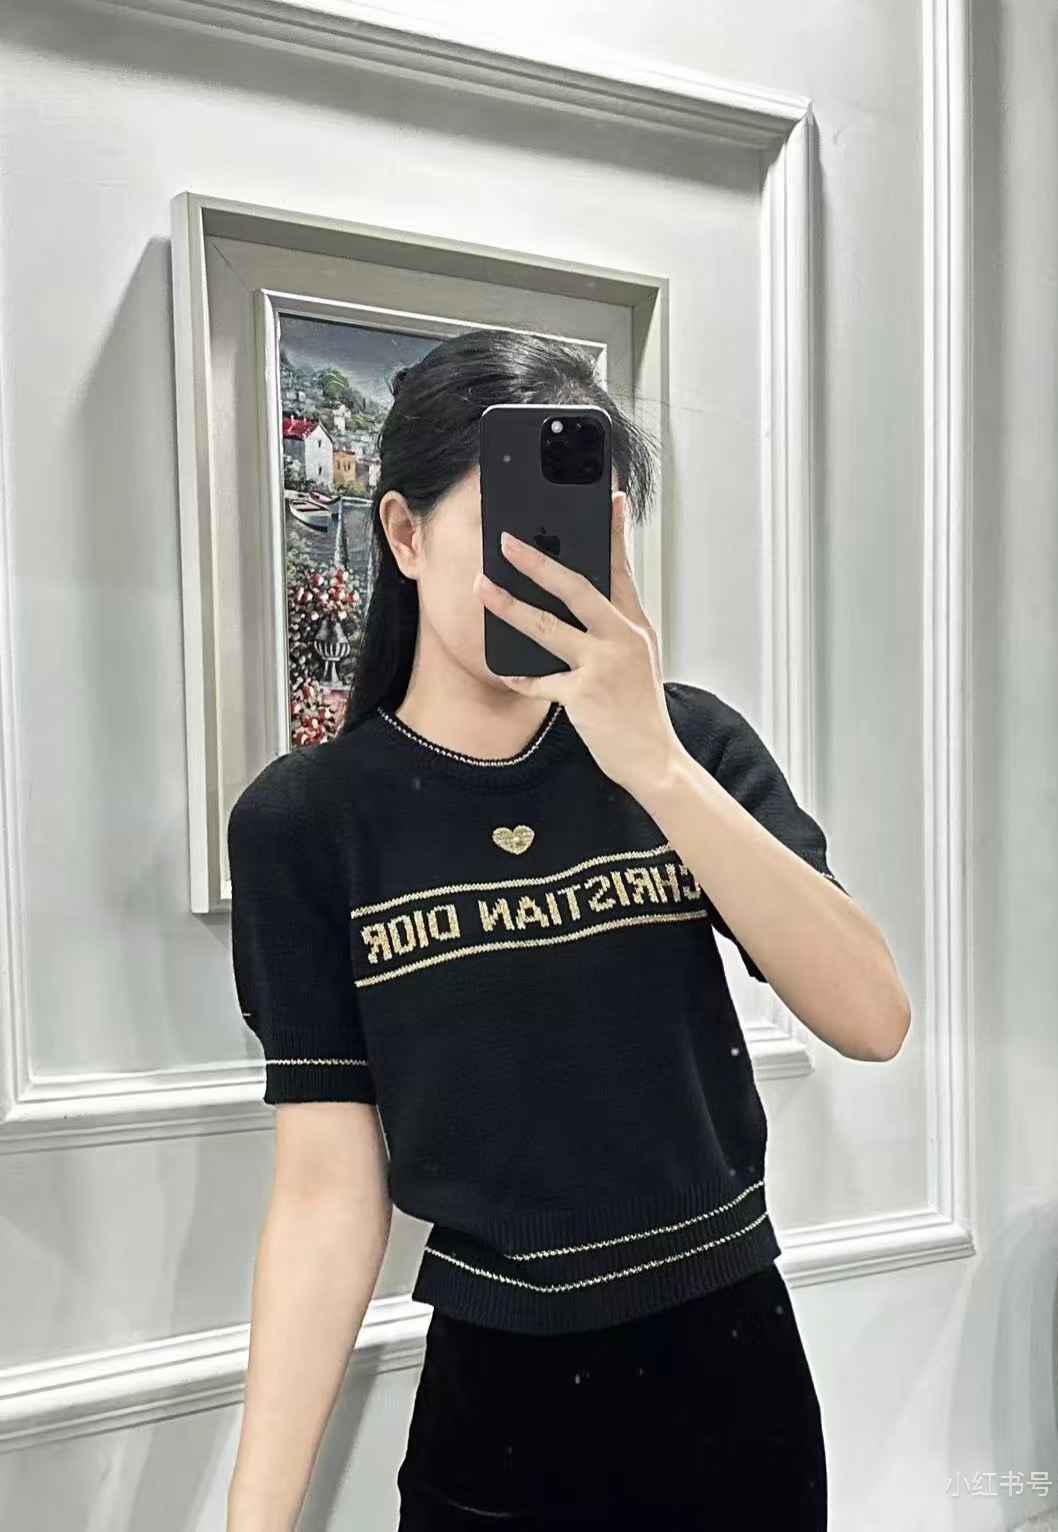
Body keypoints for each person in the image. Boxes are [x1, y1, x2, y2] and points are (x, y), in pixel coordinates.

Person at [224, 328, 911, 1531]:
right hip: (498, 1420)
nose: (546, 571)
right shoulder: (308, 822)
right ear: (402, 535)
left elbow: (871, 1015)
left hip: (732, 1385)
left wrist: (652, 761)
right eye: (508, 533)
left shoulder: (689, 748)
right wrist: (256, 1519)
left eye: (572, 535)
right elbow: (327, 1195)